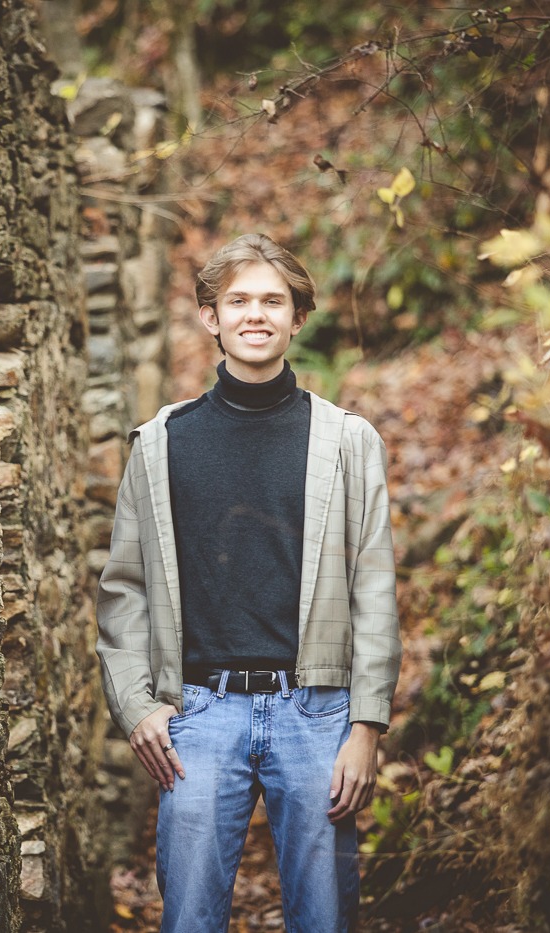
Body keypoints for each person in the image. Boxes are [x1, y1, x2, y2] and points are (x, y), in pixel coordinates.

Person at [95, 233, 401, 933]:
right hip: (198, 715)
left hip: (318, 714)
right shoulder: (160, 442)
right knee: (190, 918)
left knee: (325, 917)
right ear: (210, 316)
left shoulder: (348, 442)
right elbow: (123, 592)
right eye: (237, 300)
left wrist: (367, 725)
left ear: (298, 316)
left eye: (273, 300)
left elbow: (375, 590)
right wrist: (138, 705)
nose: (254, 314)